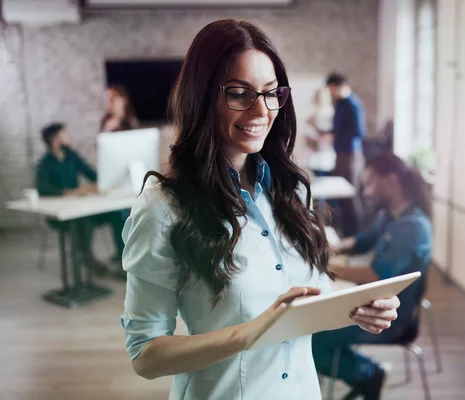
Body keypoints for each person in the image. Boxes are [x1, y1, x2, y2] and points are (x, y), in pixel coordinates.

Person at [120, 19, 401, 400]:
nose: (260, 110)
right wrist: (247, 333)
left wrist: (358, 305)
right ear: (201, 96)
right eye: (239, 93)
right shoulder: (164, 208)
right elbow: (145, 355)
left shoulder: (292, 191)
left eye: (271, 93)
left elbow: (309, 293)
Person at [312, 152, 433, 400]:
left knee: (314, 339)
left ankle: (369, 373)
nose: (365, 191)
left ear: (391, 180)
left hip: (392, 320)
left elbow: (374, 275)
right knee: (315, 324)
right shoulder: (390, 216)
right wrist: (324, 248)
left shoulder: (413, 227)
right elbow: (361, 241)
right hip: (373, 306)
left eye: (370, 182)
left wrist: (325, 266)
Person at [35, 122, 127, 274]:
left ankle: (122, 259)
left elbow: (91, 174)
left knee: (118, 214)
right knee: (84, 220)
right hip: (60, 215)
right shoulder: (45, 163)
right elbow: (43, 188)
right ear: (54, 140)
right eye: (64, 135)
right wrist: (70, 192)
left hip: (80, 208)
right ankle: (86, 259)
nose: (68, 138)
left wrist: (101, 183)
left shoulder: (72, 156)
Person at [326, 72, 367, 237]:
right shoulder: (340, 105)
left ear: (340, 86)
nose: (331, 94)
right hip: (340, 154)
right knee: (341, 198)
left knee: (351, 197)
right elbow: (338, 128)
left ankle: (357, 237)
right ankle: (347, 236)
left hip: (351, 156)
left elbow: (358, 132)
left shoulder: (353, 105)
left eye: (332, 90)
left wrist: (334, 136)